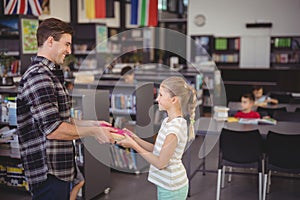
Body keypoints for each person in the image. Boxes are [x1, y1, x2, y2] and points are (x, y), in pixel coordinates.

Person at [17, 18, 115, 199]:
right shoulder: (39, 77)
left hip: (58, 167)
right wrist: (93, 132)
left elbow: (61, 119)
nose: (69, 51)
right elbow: (53, 130)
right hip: (48, 170)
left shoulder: (50, 75)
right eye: (67, 44)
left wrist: (93, 123)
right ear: (50, 41)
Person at [117, 76, 197, 200]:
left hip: (172, 188)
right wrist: (134, 138)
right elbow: (157, 149)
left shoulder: (174, 128)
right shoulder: (167, 121)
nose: (156, 99)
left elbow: (161, 163)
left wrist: (133, 146)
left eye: (160, 95)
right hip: (167, 185)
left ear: (174, 100)